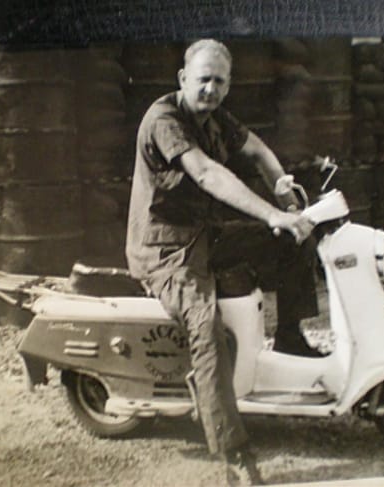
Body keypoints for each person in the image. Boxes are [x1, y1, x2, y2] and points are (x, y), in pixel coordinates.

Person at [125, 39, 317, 485]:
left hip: (205, 237)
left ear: (228, 86)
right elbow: (208, 174)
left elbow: (258, 150)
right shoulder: (164, 119)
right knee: (207, 327)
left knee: (293, 241)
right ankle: (234, 453)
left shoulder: (215, 119)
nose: (210, 89)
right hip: (165, 251)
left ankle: (290, 338)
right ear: (183, 79)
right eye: (203, 80)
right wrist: (271, 213)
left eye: (219, 81)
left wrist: (284, 194)